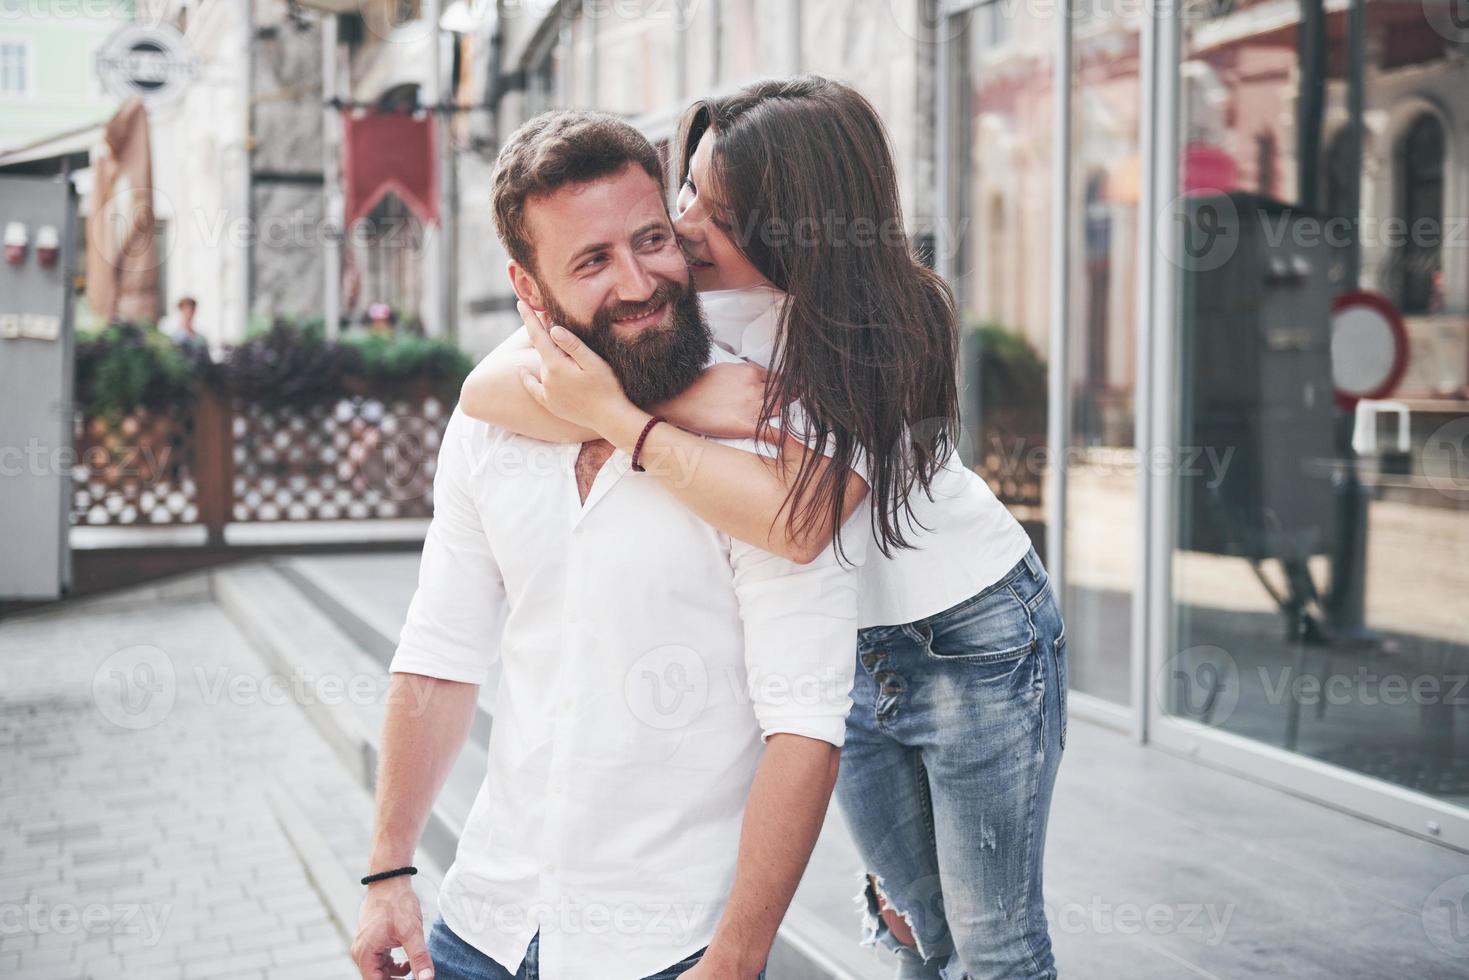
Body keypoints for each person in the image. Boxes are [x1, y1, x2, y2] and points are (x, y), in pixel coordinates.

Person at [459, 76, 1068, 980]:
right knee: (912, 923)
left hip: (969, 637)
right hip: (843, 648)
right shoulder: (683, 290)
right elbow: (491, 391)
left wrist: (626, 418)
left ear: (800, 225)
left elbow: (797, 520)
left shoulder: (881, 323)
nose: (688, 221)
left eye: (725, 210)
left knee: (992, 945)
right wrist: (685, 395)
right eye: (692, 185)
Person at [350, 110, 866, 980]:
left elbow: (805, 728)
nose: (639, 281)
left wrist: (735, 961)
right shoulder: (490, 428)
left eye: (652, 238)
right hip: (483, 922)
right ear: (529, 287)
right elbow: (438, 655)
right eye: (591, 261)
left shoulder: (769, 435)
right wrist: (389, 868)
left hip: (669, 948)